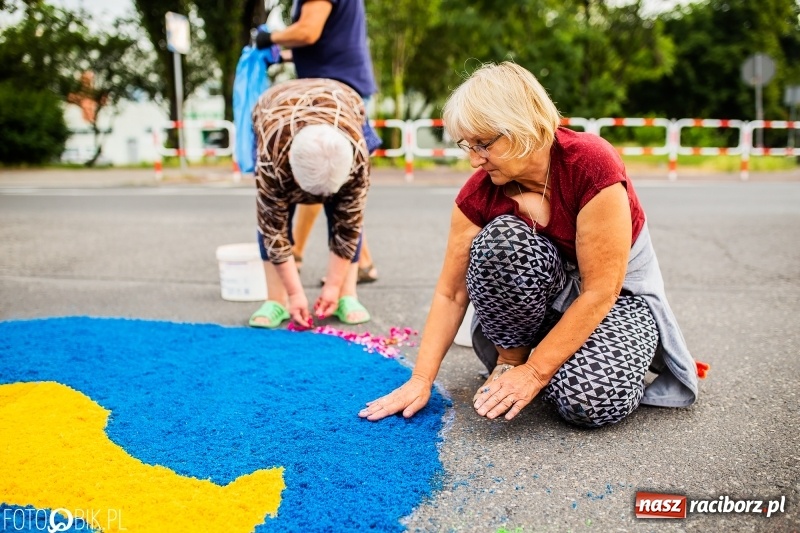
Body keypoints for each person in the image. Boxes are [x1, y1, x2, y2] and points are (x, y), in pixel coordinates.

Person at [359, 62, 700, 428]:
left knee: (587, 400)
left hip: (618, 301)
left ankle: (556, 365)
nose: (474, 159)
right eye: (467, 145)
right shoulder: (478, 194)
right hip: (544, 311)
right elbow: (451, 294)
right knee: (502, 242)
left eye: (484, 144)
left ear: (523, 127)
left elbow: (602, 290)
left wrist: (538, 373)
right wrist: (421, 380)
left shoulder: (590, 164)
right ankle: (512, 360)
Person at [255, 0, 380, 283]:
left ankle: (295, 256)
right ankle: (362, 263)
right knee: (341, 183)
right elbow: (325, 39)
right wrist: (285, 56)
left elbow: (308, 31)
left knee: (319, 168)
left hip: (333, 94)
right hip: (342, 85)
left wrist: (267, 38)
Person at [248, 77, 372, 329]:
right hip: (275, 107)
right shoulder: (271, 157)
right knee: (272, 219)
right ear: (291, 166)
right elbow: (272, 229)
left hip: (345, 101)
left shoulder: (357, 157)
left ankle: (346, 295)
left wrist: (333, 286)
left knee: (347, 216)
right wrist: (296, 294)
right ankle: (277, 300)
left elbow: (349, 226)